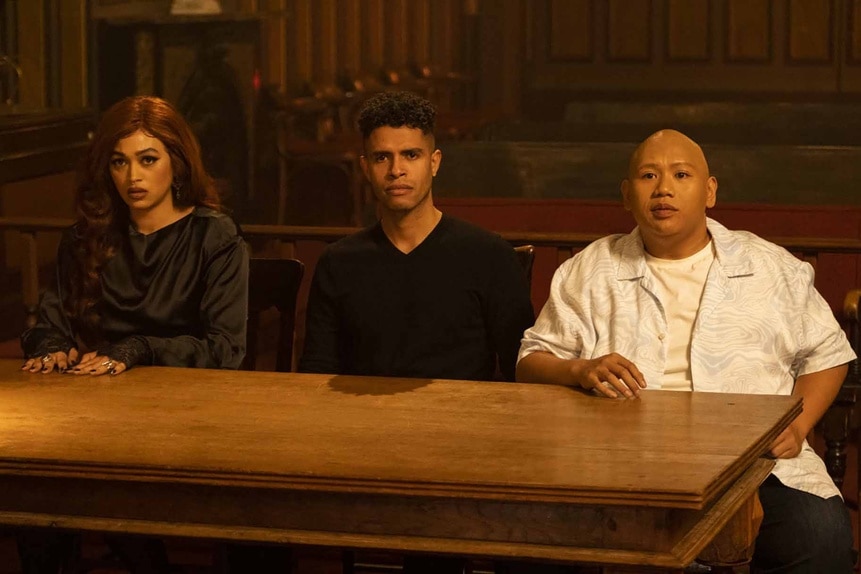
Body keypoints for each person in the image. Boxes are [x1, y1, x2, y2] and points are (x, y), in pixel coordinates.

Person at [517, 129, 855, 573]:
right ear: (626, 195)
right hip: (621, 468)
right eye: (648, 175)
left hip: (756, 463)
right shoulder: (590, 269)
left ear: (709, 191)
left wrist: (802, 423)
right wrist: (581, 369)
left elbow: (827, 354)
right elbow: (531, 360)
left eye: (681, 174)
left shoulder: (770, 266)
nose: (664, 189)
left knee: (819, 535)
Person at [299, 91, 535, 573]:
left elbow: (518, 372)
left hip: (462, 442)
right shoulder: (340, 262)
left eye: (410, 155)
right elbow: (316, 375)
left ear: (435, 162)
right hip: (364, 442)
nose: (396, 170)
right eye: (382, 157)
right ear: (365, 166)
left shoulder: (487, 256)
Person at [18, 95, 249, 574]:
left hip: (187, 419)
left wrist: (138, 349)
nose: (132, 177)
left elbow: (226, 350)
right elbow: (51, 320)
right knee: (34, 482)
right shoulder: (86, 238)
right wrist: (51, 345)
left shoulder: (214, 236)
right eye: (119, 162)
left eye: (148, 160)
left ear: (177, 164)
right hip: (94, 418)